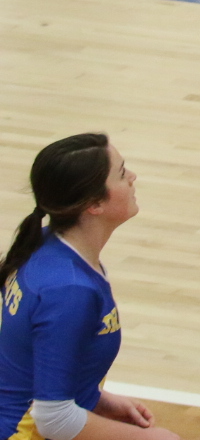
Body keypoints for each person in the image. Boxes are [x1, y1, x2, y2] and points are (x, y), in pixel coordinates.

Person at [0, 135, 179, 440]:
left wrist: (95, 399)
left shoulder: (48, 245)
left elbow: (32, 352)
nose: (133, 178)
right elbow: (53, 418)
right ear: (94, 203)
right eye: (122, 174)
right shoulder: (69, 290)